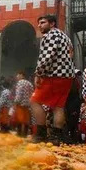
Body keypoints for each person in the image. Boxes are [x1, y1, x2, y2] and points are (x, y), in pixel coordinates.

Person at [30, 15, 75, 145]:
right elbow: (71, 55)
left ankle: (41, 134)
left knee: (34, 101)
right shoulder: (65, 37)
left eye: (43, 22)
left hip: (54, 75)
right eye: (38, 23)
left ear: (52, 24)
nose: (39, 25)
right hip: (67, 76)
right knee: (58, 106)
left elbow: (46, 58)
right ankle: (56, 136)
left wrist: (38, 74)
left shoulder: (50, 36)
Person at [13, 71, 34, 137]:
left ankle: (19, 133)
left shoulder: (20, 82)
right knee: (26, 119)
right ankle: (25, 133)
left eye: (18, 75)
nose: (17, 76)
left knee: (19, 119)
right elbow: (32, 93)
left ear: (22, 75)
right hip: (28, 104)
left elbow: (19, 94)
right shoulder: (30, 83)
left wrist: (16, 102)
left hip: (21, 104)